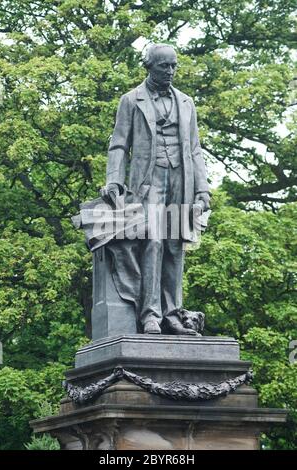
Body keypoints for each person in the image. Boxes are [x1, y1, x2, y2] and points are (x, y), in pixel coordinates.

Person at [101, 43, 210, 334]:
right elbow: (119, 144)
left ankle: (172, 314)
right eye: (165, 66)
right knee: (154, 241)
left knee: (175, 246)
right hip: (148, 182)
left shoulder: (186, 102)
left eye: (174, 65)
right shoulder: (131, 100)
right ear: (149, 66)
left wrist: (203, 190)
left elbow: (196, 150)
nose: (171, 71)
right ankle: (150, 314)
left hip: (181, 181)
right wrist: (114, 180)